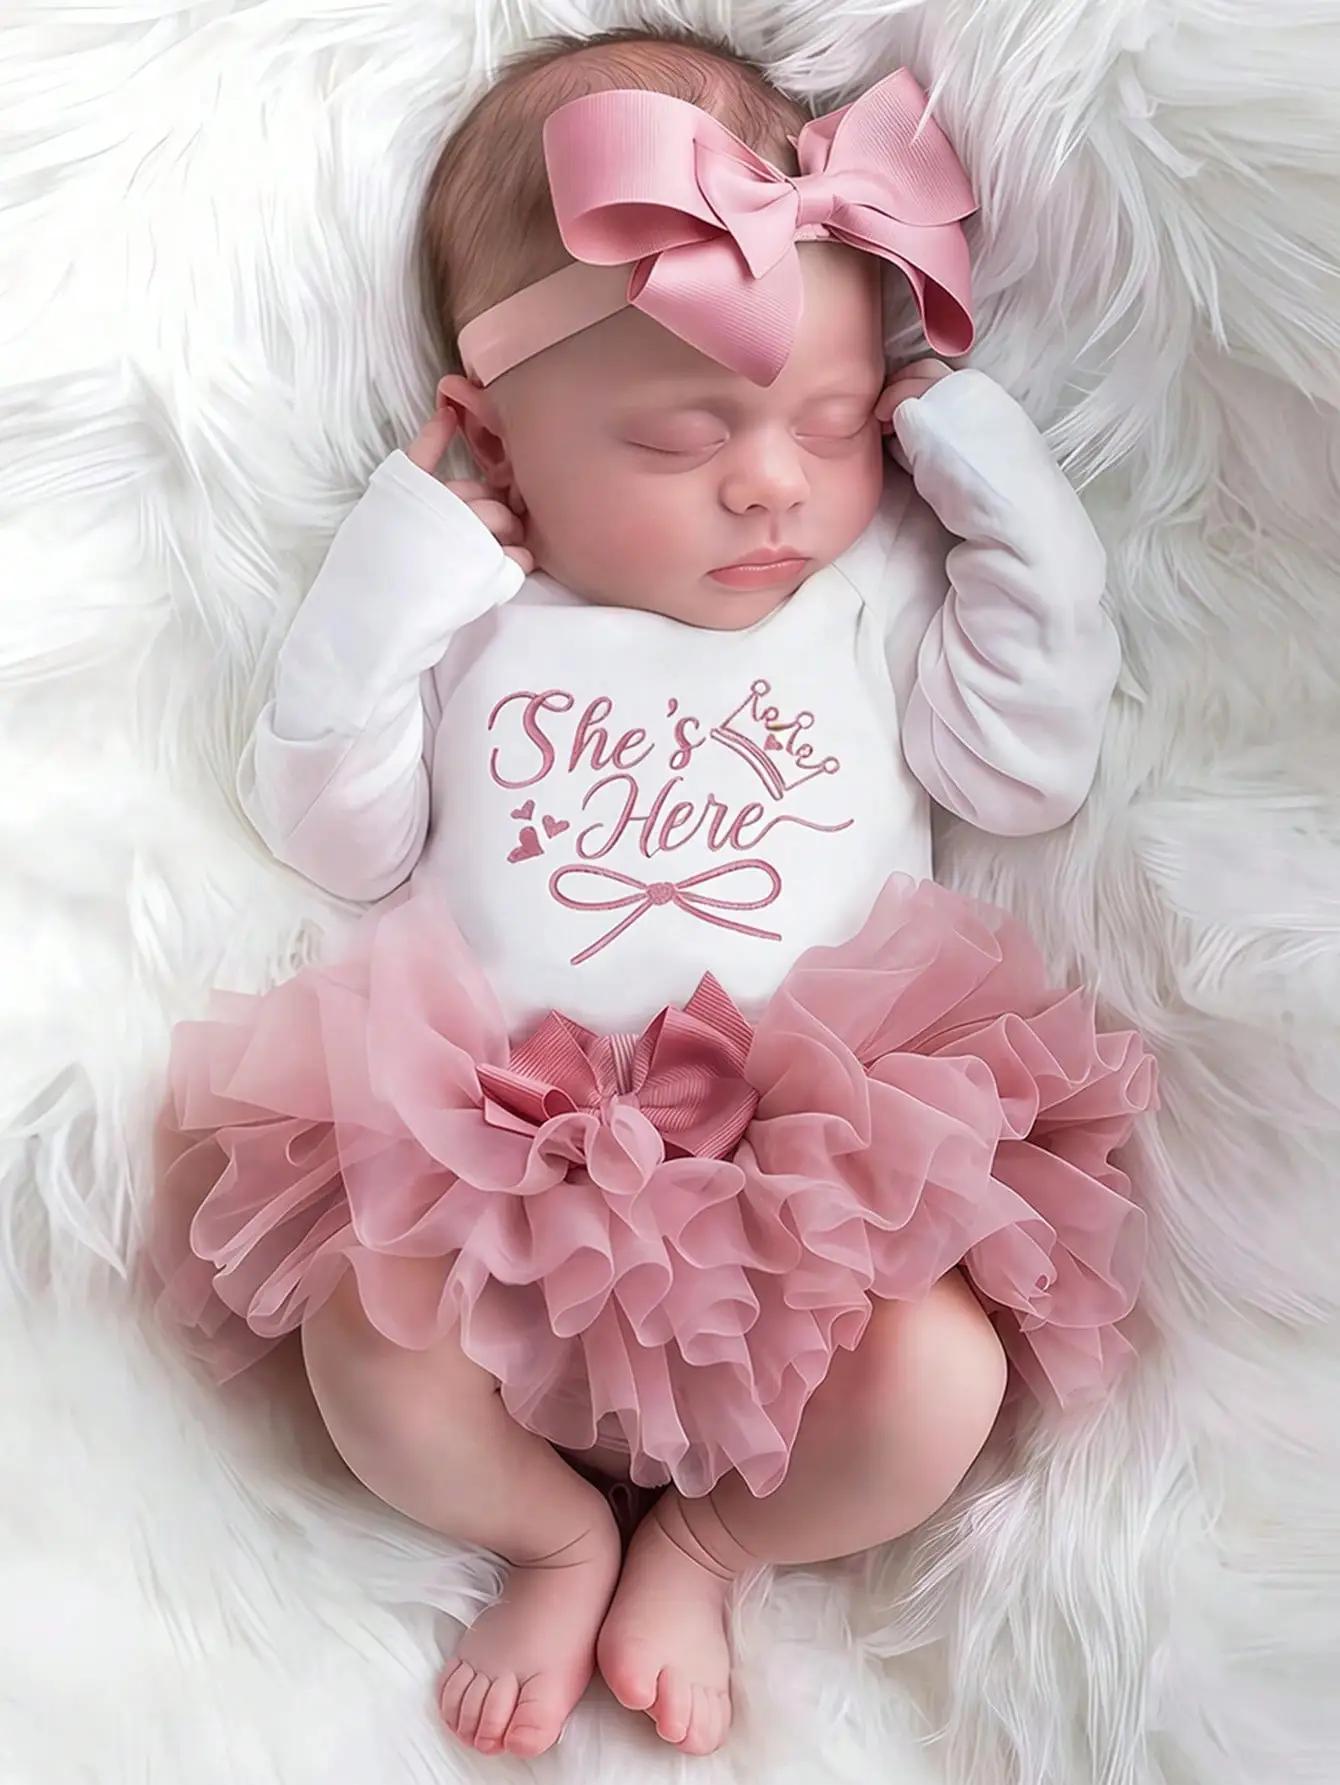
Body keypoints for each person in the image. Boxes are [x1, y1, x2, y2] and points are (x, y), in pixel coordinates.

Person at [149, 25, 1156, 1765]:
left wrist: (997, 492)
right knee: (363, 1350)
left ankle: (708, 1546)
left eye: (829, 421)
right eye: (683, 436)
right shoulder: (478, 608)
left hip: (820, 1177)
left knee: (940, 1380)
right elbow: (334, 826)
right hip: (500, 1163)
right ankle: (547, 1535)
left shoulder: (863, 592)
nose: (772, 480)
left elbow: (1024, 767)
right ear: (493, 437)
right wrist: (417, 547)